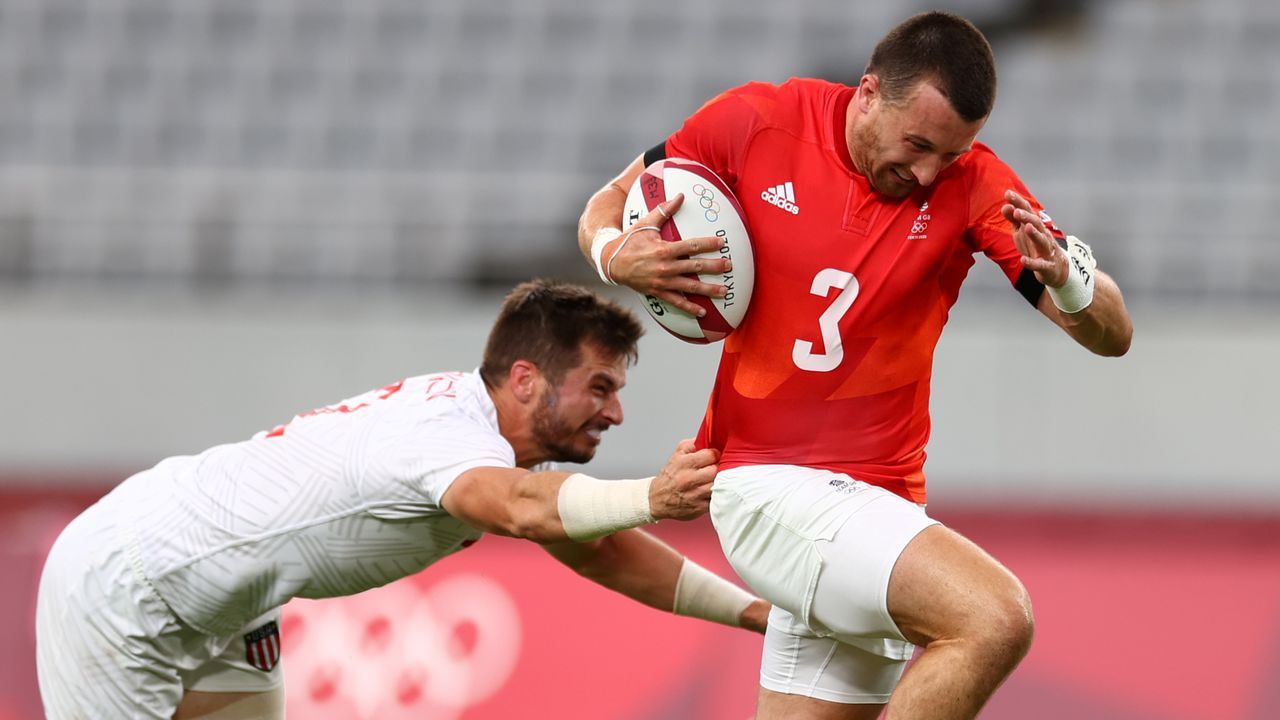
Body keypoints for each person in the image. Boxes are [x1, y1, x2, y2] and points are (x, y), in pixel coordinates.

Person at [578, 11, 1132, 720]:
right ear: (868, 93)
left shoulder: (974, 182)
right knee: (996, 618)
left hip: (877, 510)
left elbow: (1111, 334)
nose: (930, 170)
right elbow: (612, 201)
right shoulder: (759, 120)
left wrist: (1069, 281)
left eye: (950, 153)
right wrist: (611, 254)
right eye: (919, 145)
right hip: (766, 484)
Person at [35, 279, 770, 720]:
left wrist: (753, 612)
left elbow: (598, 545)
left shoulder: (480, 432)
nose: (613, 414)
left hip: (228, 602)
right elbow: (519, 508)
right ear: (524, 379)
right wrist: (655, 494)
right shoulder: (447, 438)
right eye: (599, 388)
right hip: (130, 582)